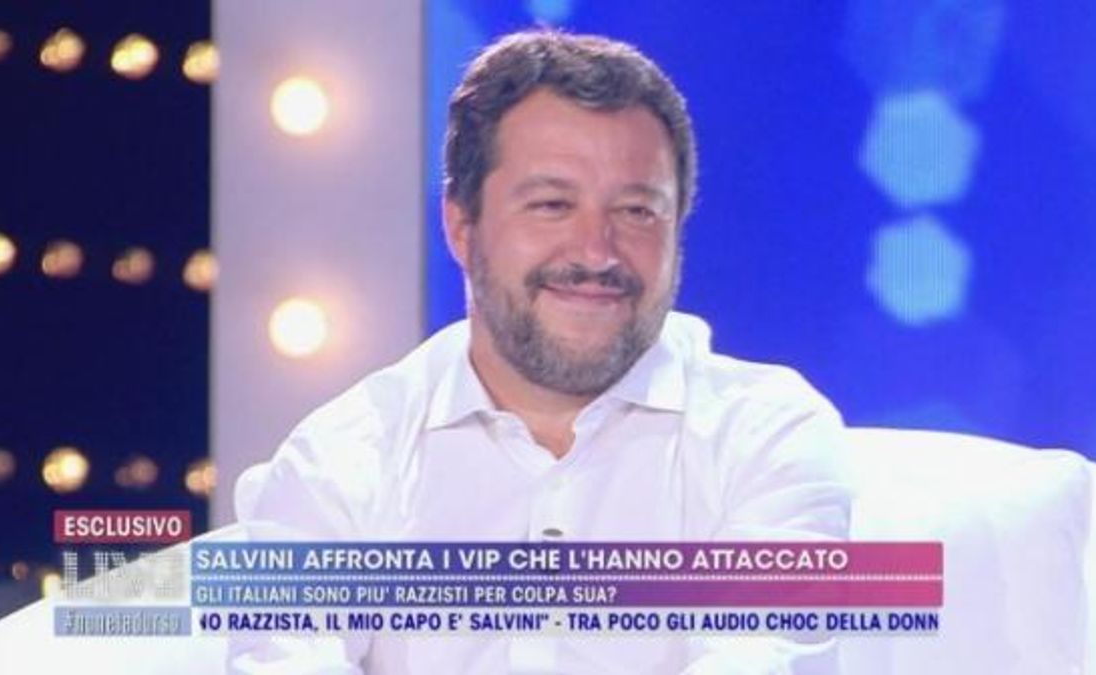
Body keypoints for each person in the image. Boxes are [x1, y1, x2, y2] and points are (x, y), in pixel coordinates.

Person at [230, 29, 851, 674]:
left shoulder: (765, 434)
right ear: (461, 227)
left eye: (637, 211)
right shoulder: (343, 456)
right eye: (552, 205)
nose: (596, 252)